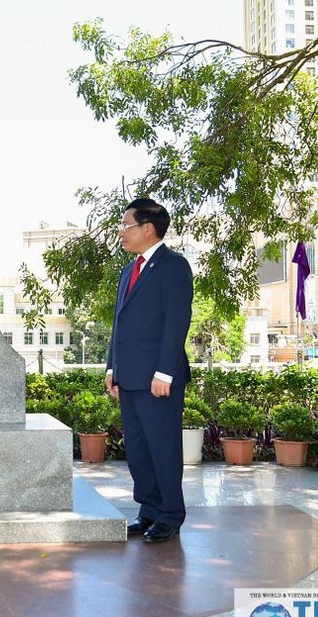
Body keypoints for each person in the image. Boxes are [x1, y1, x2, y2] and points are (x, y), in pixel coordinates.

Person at [104, 198, 193, 543]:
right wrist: (112, 367)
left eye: (126, 225)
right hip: (129, 377)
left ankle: (170, 515)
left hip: (158, 380)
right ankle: (149, 510)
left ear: (148, 228)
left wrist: (164, 373)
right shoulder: (130, 269)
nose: (121, 232)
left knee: (163, 447)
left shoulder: (173, 266)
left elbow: (176, 323)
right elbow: (119, 323)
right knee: (139, 449)